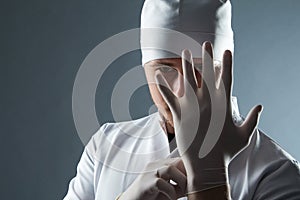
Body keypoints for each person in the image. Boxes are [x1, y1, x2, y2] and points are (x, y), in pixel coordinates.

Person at [64, 0, 300, 199]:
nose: (180, 90)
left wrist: (210, 180)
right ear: (144, 68)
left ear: (225, 68)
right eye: (165, 69)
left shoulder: (274, 170)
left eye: (200, 68)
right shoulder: (106, 146)